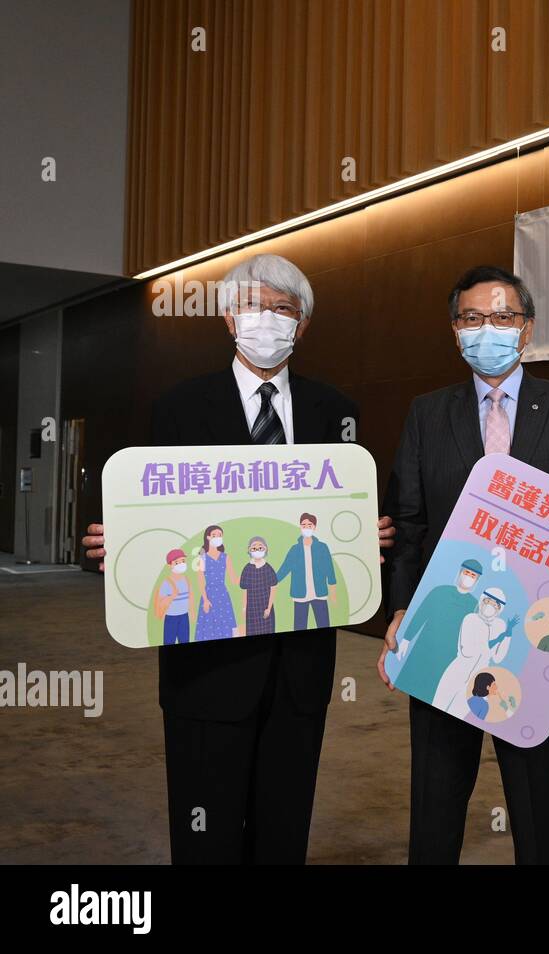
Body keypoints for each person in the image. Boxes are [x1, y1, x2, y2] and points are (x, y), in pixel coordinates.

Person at [82, 253, 395, 864]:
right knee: (206, 831)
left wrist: (370, 537)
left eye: (284, 310)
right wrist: (119, 542)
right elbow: (151, 514)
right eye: (254, 306)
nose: (268, 321)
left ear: (302, 325)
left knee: (284, 829)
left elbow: (349, 515)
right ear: (228, 318)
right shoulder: (179, 406)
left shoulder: (338, 412)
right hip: (208, 666)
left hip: (299, 666)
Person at [376, 264, 549, 865]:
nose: (486, 329)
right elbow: (409, 525)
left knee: (533, 799)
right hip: (446, 632)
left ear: (526, 329)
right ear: (455, 330)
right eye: (472, 319)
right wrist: (400, 610)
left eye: (502, 317)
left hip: (531, 636)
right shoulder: (426, 412)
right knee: (436, 801)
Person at [432, 587, 518, 717]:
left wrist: (508, 635)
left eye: (495, 604)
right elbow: (468, 650)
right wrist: (496, 639)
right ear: (482, 600)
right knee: (438, 707)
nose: (490, 606)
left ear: (500, 609)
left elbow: (498, 658)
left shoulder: (500, 625)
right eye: (488, 601)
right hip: (458, 669)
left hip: (478, 679)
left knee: (458, 715)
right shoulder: (471, 619)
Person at [275, 513, 336, 630]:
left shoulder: (322, 547)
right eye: (304, 525)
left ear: (314, 527)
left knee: (324, 625)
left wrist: (333, 591)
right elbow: (285, 568)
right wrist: (272, 581)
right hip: (300, 594)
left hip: (319, 593)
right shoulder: (294, 549)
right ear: (300, 527)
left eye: (309, 525)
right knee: (299, 626)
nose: (306, 527)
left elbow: (329, 569)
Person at [194, 525, 238, 640]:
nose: (218, 537)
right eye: (214, 535)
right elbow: (200, 580)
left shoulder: (226, 557)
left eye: (220, 535)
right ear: (208, 537)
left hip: (223, 595)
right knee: (209, 627)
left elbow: (234, 579)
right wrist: (205, 599)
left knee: (225, 626)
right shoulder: (202, 558)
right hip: (209, 595)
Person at [155, 549, 195, 646]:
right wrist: (172, 596)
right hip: (171, 617)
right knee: (169, 641)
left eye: (183, 561)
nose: (181, 564)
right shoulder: (166, 583)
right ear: (170, 565)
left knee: (185, 640)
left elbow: (191, 596)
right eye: (177, 562)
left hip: (184, 616)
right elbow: (160, 602)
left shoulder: (186, 579)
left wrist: (192, 611)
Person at [239, 536, 278, 636]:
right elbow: (244, 590)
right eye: (254, 548)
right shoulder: (247, 569)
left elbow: (273, 588)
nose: (257, 550)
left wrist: (269, 608)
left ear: (265, 549)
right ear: (249, 550)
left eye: (260, 547)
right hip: (251, 608)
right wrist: (244, 607)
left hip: (265, 606)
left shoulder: (268, 568)